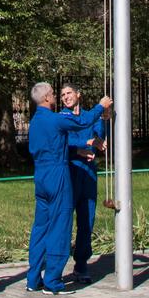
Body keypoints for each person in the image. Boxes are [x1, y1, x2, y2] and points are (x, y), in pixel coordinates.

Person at [26, 82, 112, 295]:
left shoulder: (36, 121)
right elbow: (82, 121)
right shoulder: (57, 119)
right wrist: (101, 106)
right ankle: (53, 281)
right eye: (55, 94)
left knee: (41, 227)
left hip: (41, 176)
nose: (58, 96)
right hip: (58, 175)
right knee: (60, 227)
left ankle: (33, 278)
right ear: (47, 98)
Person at [59, 83, 108, 283]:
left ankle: (81, 265)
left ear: (79, 94)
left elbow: (99, 134)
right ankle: (57, 267)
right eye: (62, 95)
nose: (65, 97)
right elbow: (63, 142)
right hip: (71, 171)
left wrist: (98, 138)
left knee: (87, 219)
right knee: (64, 220)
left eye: (69, 93)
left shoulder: (90, 116)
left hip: (88, 173)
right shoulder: (62, 117)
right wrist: (82, 147)